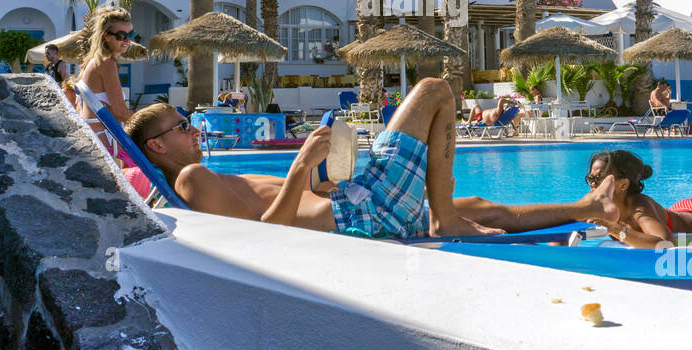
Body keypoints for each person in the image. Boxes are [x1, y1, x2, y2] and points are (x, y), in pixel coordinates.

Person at [123, 78, 620, 239]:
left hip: (354, 202)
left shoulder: (210, 174)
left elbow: (300, 202)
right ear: (157, 148)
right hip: (360, 214)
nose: (192, 130)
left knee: (484, 204)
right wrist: (299, 168)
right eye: (181, 126)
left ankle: (588, 209)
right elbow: (265, 238)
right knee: (434, 90)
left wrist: (326, 169)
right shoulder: (190, 179)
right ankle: (444, 219)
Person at [76, 7, 135, 159]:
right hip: (109, 146)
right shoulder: (106, 63)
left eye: (130, 34)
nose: (127, 40)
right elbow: (120, 111)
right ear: (107, 36)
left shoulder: (92, 62)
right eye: (122, 35)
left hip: (96, 141)